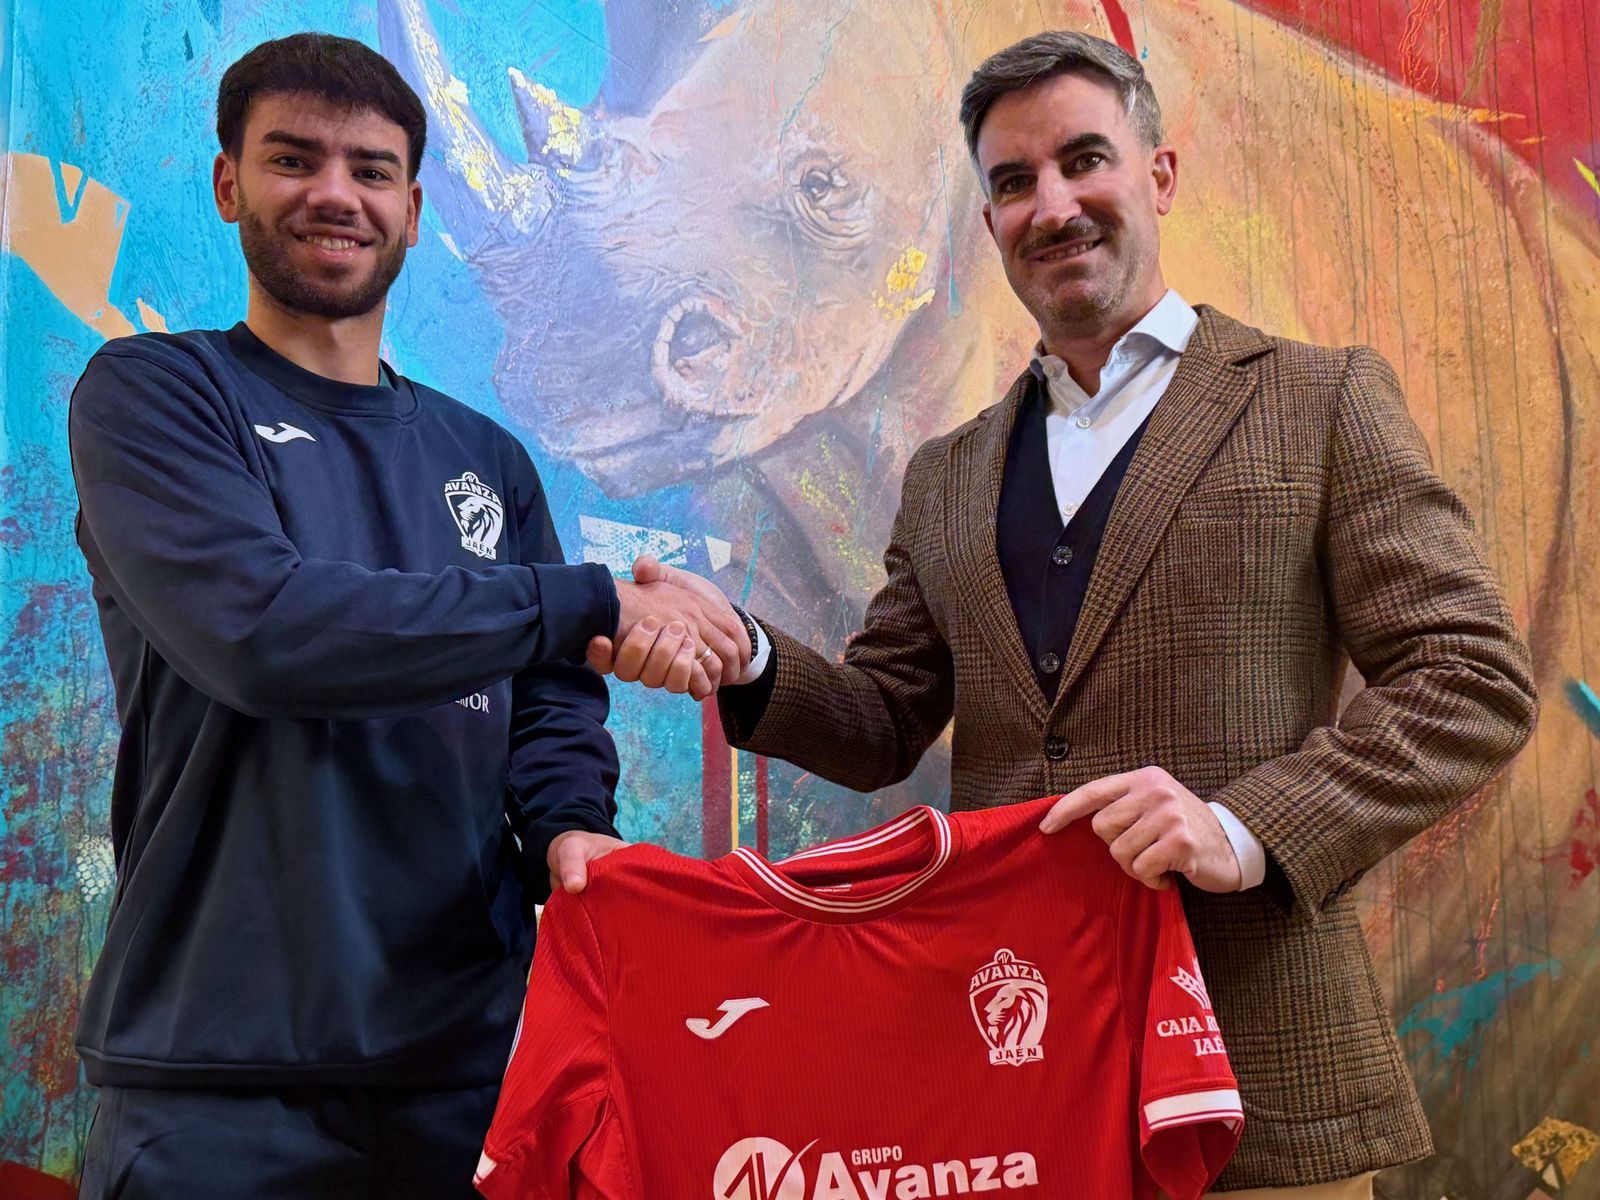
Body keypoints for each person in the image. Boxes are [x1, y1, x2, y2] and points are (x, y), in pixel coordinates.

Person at [591, 30, 1539, 1198]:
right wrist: (744, 659)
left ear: (1160, 174)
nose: (1053, 204)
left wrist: (1241, 830)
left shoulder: (1318, 400)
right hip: (1013, 1088)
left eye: (1084, 159)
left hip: (1260, 1083)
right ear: (985, 225)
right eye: (1010, 182)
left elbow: (1469, 680)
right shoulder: (948, 473)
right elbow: (886, 717)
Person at [68, 32, 745, 1199]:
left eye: (372, 170)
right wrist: (582, 598)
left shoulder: (488, 459)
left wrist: (568, 826)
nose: (336, 193)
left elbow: (546, 693)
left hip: (470, 1067)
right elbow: (264, 632)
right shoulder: (153, 397)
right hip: (217, 1077)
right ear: (230, 183)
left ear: (416, 208)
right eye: (296, 160)